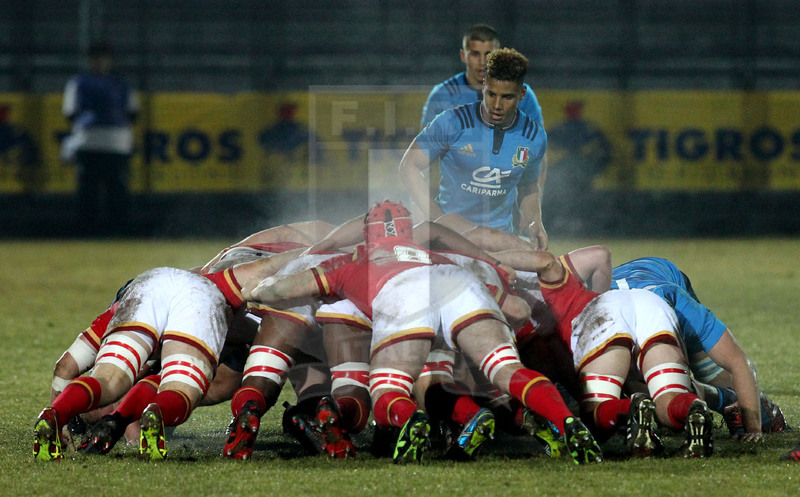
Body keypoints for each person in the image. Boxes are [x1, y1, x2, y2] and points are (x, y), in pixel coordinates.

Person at [245, 200, 602, 465]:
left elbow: (284, 289)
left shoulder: (351, 260)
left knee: (386, 389)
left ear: (366, 234)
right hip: (456, 283)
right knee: (505, 369)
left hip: (404, 293)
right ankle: (567, 422)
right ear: (408, 231)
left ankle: (411, 419)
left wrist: (256, 292)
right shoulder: (436, 254)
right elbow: (519, 310)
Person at [401, 47, 548, 248]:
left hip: (499, 241)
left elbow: (528, 185)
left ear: (522, 94)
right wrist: (438, 221)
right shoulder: (453, 122)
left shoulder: (533, 136)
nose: (497, 105)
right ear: (483, 85)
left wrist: (535, 222)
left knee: (546, 263)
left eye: (507, 97)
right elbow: (409, 165)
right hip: (450, 241)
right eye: (491, 94)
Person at [62, 40, 138, 236]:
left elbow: (70, 113)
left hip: (114, 143)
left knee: (115, 191)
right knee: (90, 191)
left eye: (103, 58)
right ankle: (90, 231)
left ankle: (116, 232)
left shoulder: (119, 83)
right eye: (96, 59)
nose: (100, 62)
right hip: (92, 142)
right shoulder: (80, 82)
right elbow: (132, 113)